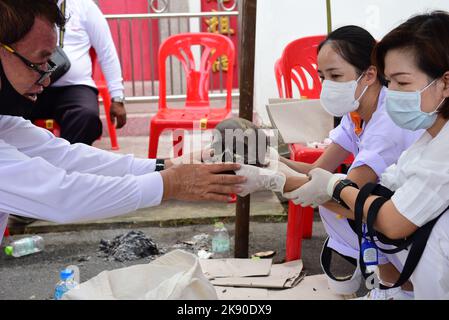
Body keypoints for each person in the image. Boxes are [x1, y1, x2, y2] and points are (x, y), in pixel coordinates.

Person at [0, 0, 246, 244]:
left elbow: (68, 157)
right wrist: (173, 182)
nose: (46, 79)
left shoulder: (5, 123)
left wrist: (169, 164)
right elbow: (62, 195)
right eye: (38, 62)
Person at [290, 11, 449, 299]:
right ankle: (396, 290)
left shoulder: (434, 144)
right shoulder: (427, 139)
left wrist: (330, 186)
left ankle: (399, 288)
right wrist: (267, 166)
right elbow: (376, 191)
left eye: (401, 82)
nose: (393, 93)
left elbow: (390, 219)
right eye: (391, 83)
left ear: (446, 83)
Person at [24, 0, 126, 145]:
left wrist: (117, 98)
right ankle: (24, 162)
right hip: (30, 84)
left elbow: (106, 52)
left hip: (75, 87)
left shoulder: (84, 6)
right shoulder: (24, 5)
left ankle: (68, 163)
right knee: (10, 113)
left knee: (86, 116)